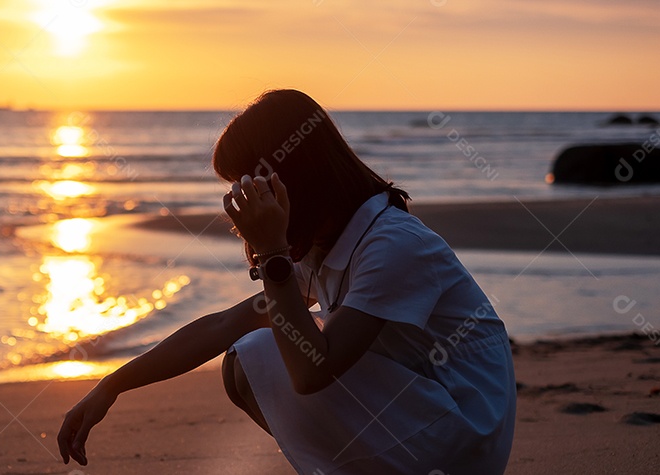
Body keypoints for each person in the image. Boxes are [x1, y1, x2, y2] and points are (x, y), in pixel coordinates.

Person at [57, 89, 516, 474]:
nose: (245, 197)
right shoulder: (329, 242)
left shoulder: (392, 244)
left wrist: (273, 253)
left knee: (260, 354)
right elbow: (222, 325)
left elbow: (313, 371)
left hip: (464, 433)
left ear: (294, 176)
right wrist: (111, 384)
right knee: (244, 355)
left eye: (250, 182)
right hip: (429, 412)